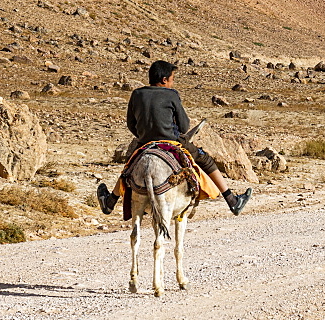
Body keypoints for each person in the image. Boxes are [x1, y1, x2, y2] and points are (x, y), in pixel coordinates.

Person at [97, 60, 252, 216]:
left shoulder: (137, 94)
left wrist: (144, 136)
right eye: (172, 79)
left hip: (145, 142)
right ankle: (232, 200)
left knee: (129, 168)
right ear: (164, 80)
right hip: (171, 141)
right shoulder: (171, 94)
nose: (172, 83)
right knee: (205, 159)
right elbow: (184, 126)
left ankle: (110, 202)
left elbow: (131, 123)